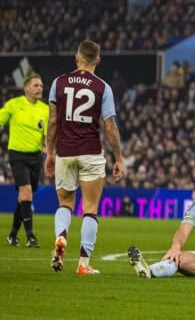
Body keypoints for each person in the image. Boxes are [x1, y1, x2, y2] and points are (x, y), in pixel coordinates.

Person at [45, 39, 124, 275]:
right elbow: (110, 126)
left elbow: (52, 122)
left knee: (65, 204)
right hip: (90, 152)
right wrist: (118, 157)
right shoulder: (103, 87)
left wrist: (50, 152)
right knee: (90, 208)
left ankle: (61, 238)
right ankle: (83, 264)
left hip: (65, 152)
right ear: (98, 60)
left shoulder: (58, 82)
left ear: (76, 58)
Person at [0, 72, 48, 248]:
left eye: (41, 86)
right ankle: (30, 236)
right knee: (26, 191)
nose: (39, 88)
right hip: (18, 155)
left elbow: (48, 135)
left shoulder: (45, 109)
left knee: (24, 198)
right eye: (36, 85)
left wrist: (50, 151)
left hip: (35, 158)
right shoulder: (14, 105)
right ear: (26, 87)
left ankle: (12, 235)